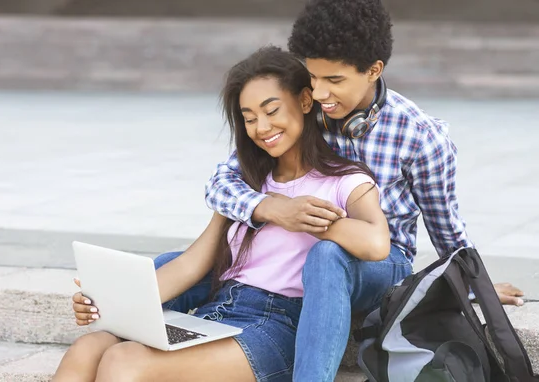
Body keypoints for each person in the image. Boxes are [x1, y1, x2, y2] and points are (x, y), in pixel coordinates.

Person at [193, 0, 524, 380]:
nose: (319, 93)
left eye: (334, 80)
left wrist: (472, 288)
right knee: (179, 262)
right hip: (293, 244)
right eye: (313, 77)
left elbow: (446, 229)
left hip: (377, 261)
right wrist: (270, 207)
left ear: (373, 71)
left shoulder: (420, 136)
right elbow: (221, 183)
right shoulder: (300, 107)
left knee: (328, 255)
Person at [52, 46, 395, 382]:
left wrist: (306, 219)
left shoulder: (343, 181)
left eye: (271, 110)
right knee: (88, 348)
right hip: (217, 310)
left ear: (305, 101)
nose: (262, 127)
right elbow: (192, 263)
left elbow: (376, 242)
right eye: (249, 118)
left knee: (125, 360)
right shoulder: (246, 184)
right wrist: (111, 302)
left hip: (274, 328)